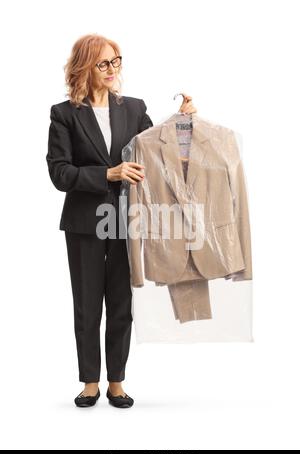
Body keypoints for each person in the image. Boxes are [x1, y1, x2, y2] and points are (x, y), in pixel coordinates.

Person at [46, 34, 197, 408]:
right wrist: (108, 174)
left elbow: (159, 151)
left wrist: (183, 124)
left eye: (117, 61)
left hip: (124, 219)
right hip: (85, 221)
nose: (113, 70)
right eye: (103, 63)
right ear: (84, 67)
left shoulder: (133, 108)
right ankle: (89, 382)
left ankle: (116, 381)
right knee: (86, 304)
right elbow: (60, 173)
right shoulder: (64, 114)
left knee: (120, 303)